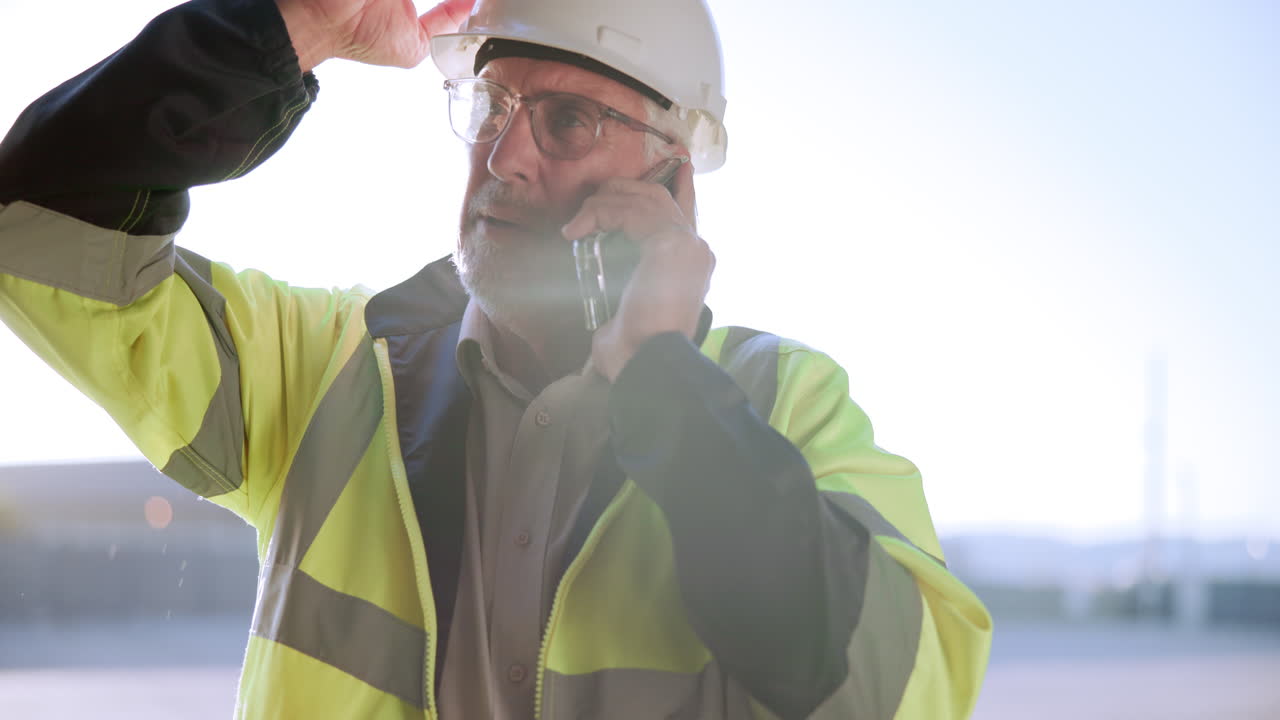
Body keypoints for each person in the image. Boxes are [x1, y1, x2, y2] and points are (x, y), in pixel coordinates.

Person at [0, 0, 992, 717]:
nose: (503, 156)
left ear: (670, 182)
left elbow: (898, 693)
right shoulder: (327, 375)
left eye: (564, 122)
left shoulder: (784, 404)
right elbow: (35, 221)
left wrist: (662, 382)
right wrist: (290, 27)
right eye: (491, 107)